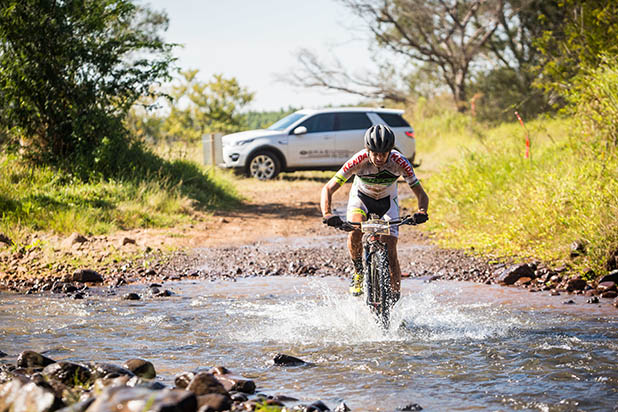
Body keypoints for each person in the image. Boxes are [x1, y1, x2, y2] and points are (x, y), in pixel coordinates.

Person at [320, 124, 429, 301]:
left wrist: (422, 211)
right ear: (367, 150)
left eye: (383, 154)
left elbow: (421, 193)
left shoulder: (400, 161)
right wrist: (327, 213)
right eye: (375, 153)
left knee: (391, 248)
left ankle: (394, 298)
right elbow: (328, 188)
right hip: (362, 198)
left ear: (390, 151)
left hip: (387, 201)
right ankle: (358, 272)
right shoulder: (358, 160)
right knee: (355, 230)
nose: (379, 158)